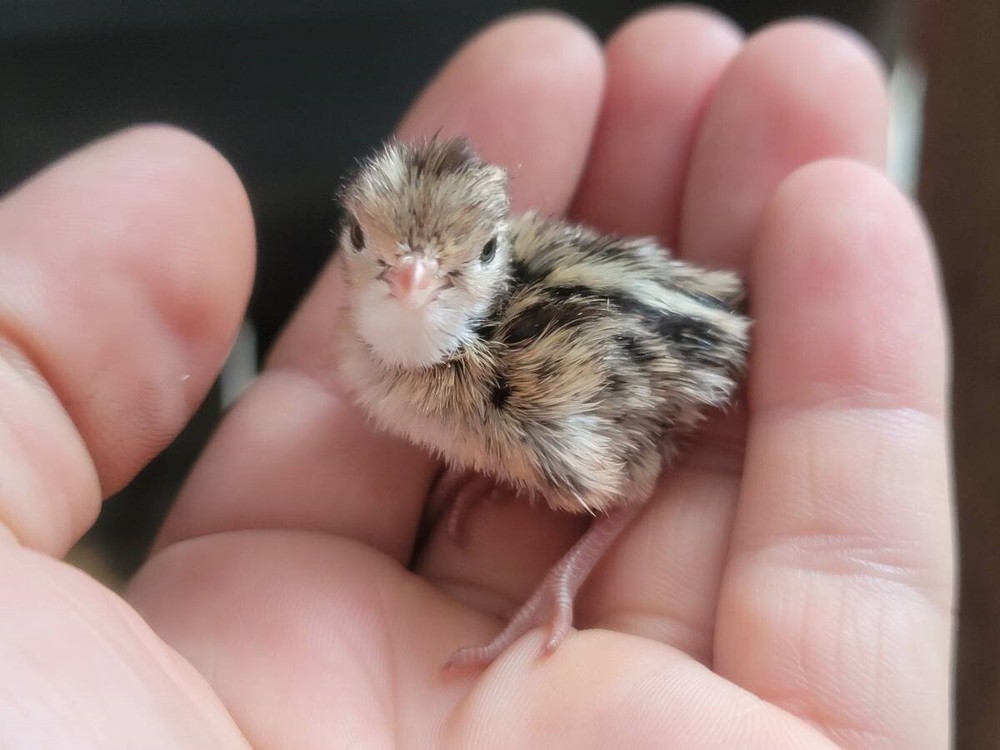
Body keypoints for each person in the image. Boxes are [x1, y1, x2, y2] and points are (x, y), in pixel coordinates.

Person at [0, 8, 952, 748]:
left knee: (584, 469)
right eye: (368, 247)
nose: (410, 278)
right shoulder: (386, 343)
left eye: (468, 255)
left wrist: (561, 579)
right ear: (351, 237)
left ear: (498, 249)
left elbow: (620, 473)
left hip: (640, 376)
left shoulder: (514, 382)